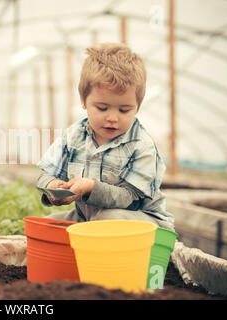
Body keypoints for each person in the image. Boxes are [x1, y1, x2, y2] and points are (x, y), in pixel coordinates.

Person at [36, 43, 174, 231]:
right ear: (84, 101)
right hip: (89, 218)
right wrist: (52, 185)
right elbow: (46, 173)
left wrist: (91, 188)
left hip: (143, 224)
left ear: (137, 106)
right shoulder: (74, 136)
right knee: (49, 225)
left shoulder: (141, 145)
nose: (112, 118)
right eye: (102, 108)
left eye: (124, 110)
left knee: (109, 218)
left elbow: (129, 198)